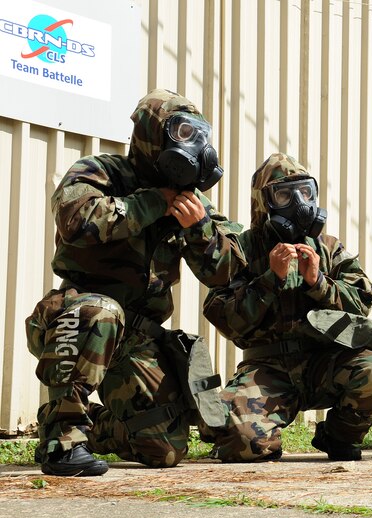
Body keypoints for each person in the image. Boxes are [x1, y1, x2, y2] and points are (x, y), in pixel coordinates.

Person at [26, 89, 245, 476]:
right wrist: (152, 203)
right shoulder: (100, 171)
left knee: (164, 448)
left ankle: (89, 427)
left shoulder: (191, 201)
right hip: (77, 317)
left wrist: (199, 230)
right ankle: (62, 440)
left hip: (137, 335)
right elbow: (77, 220)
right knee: (102, 311)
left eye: (198, 135)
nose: (193, 145)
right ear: (150, 134)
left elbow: (227, 272)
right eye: (181, 132)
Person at [202, 153, 372, 462]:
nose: (300, 203)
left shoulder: (327, 247)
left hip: (325, 363)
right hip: (268, 368)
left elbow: (363, 299)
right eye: (285, 194)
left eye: (305, 192)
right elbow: (223, 317)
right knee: (245, 443)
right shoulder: (241, 250)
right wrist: (270, 280)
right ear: (264, 202)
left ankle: (339, 436)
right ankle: (234, 423)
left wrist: (319, 284)